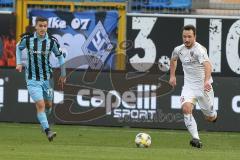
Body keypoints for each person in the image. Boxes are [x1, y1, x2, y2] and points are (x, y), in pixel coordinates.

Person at [16, 17, 66, 142]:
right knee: (41, 105)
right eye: (40, 26)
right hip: (32, 79)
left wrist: (63, 73)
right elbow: (18, 48)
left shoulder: (52, 41)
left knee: (48, 105)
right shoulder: (28, 40)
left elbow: (60, 57)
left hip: (47, 79)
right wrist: (19, 63)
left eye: (45, 26)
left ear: (47, 27)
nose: (43, 28)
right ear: (36, 27)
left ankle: (43, 123)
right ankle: (48, 131)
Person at [169, 25, 217, 148]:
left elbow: (208, 66)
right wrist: (172, 76)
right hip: (189, 87)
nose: (187, 39)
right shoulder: (178, 49)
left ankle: (213, 114)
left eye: (189, 36)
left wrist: (206, 81)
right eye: (184, 36)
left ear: (194, 36)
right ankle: (196, 139)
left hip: (203, 87)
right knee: (186, 109)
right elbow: (173, 59)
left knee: (210, 118)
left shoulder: (199, 50)